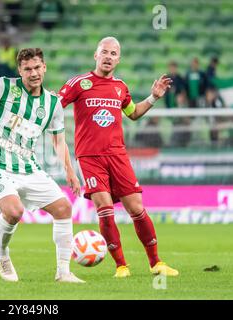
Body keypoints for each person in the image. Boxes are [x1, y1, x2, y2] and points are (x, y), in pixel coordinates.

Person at [58, 37, 179, 278]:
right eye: (104, 52)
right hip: (90, 157)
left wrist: (153, 97)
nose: (108, 57)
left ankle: (156, 263)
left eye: (113, 53)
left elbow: (133, 113)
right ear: (96, 55)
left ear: (118, 59)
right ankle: (121, 266)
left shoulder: (120, 87)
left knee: (136, 208)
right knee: (104, 208)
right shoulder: (79, 83)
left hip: (117, 155)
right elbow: (53, 107)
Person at [0, 48, 84, 283]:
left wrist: (70, 171)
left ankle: (63, 272)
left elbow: (59, 140)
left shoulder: (52, 104)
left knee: (63, 209)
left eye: (37, 67)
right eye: (27, 69)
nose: (33, 73)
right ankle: (1, 252)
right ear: (19, 70)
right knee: (14, 211)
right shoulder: (4, 87)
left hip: (29, 168)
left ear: (45, 68)